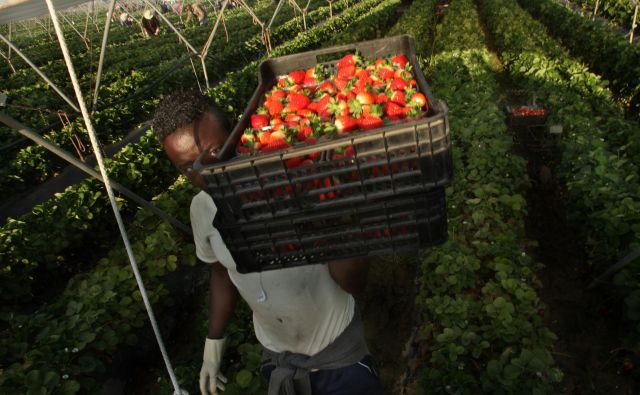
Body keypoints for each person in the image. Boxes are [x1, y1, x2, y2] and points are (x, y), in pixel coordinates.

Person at [152, 89, 384, 395]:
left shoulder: (292, 181)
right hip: (276, 355)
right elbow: (221, 271)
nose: (204, 172)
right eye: (187, 166)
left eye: (214, 151)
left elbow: (354, 283)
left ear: (237, 133)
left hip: (336, 354)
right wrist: (214, 341)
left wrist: (333, 218)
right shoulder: (202, 210)